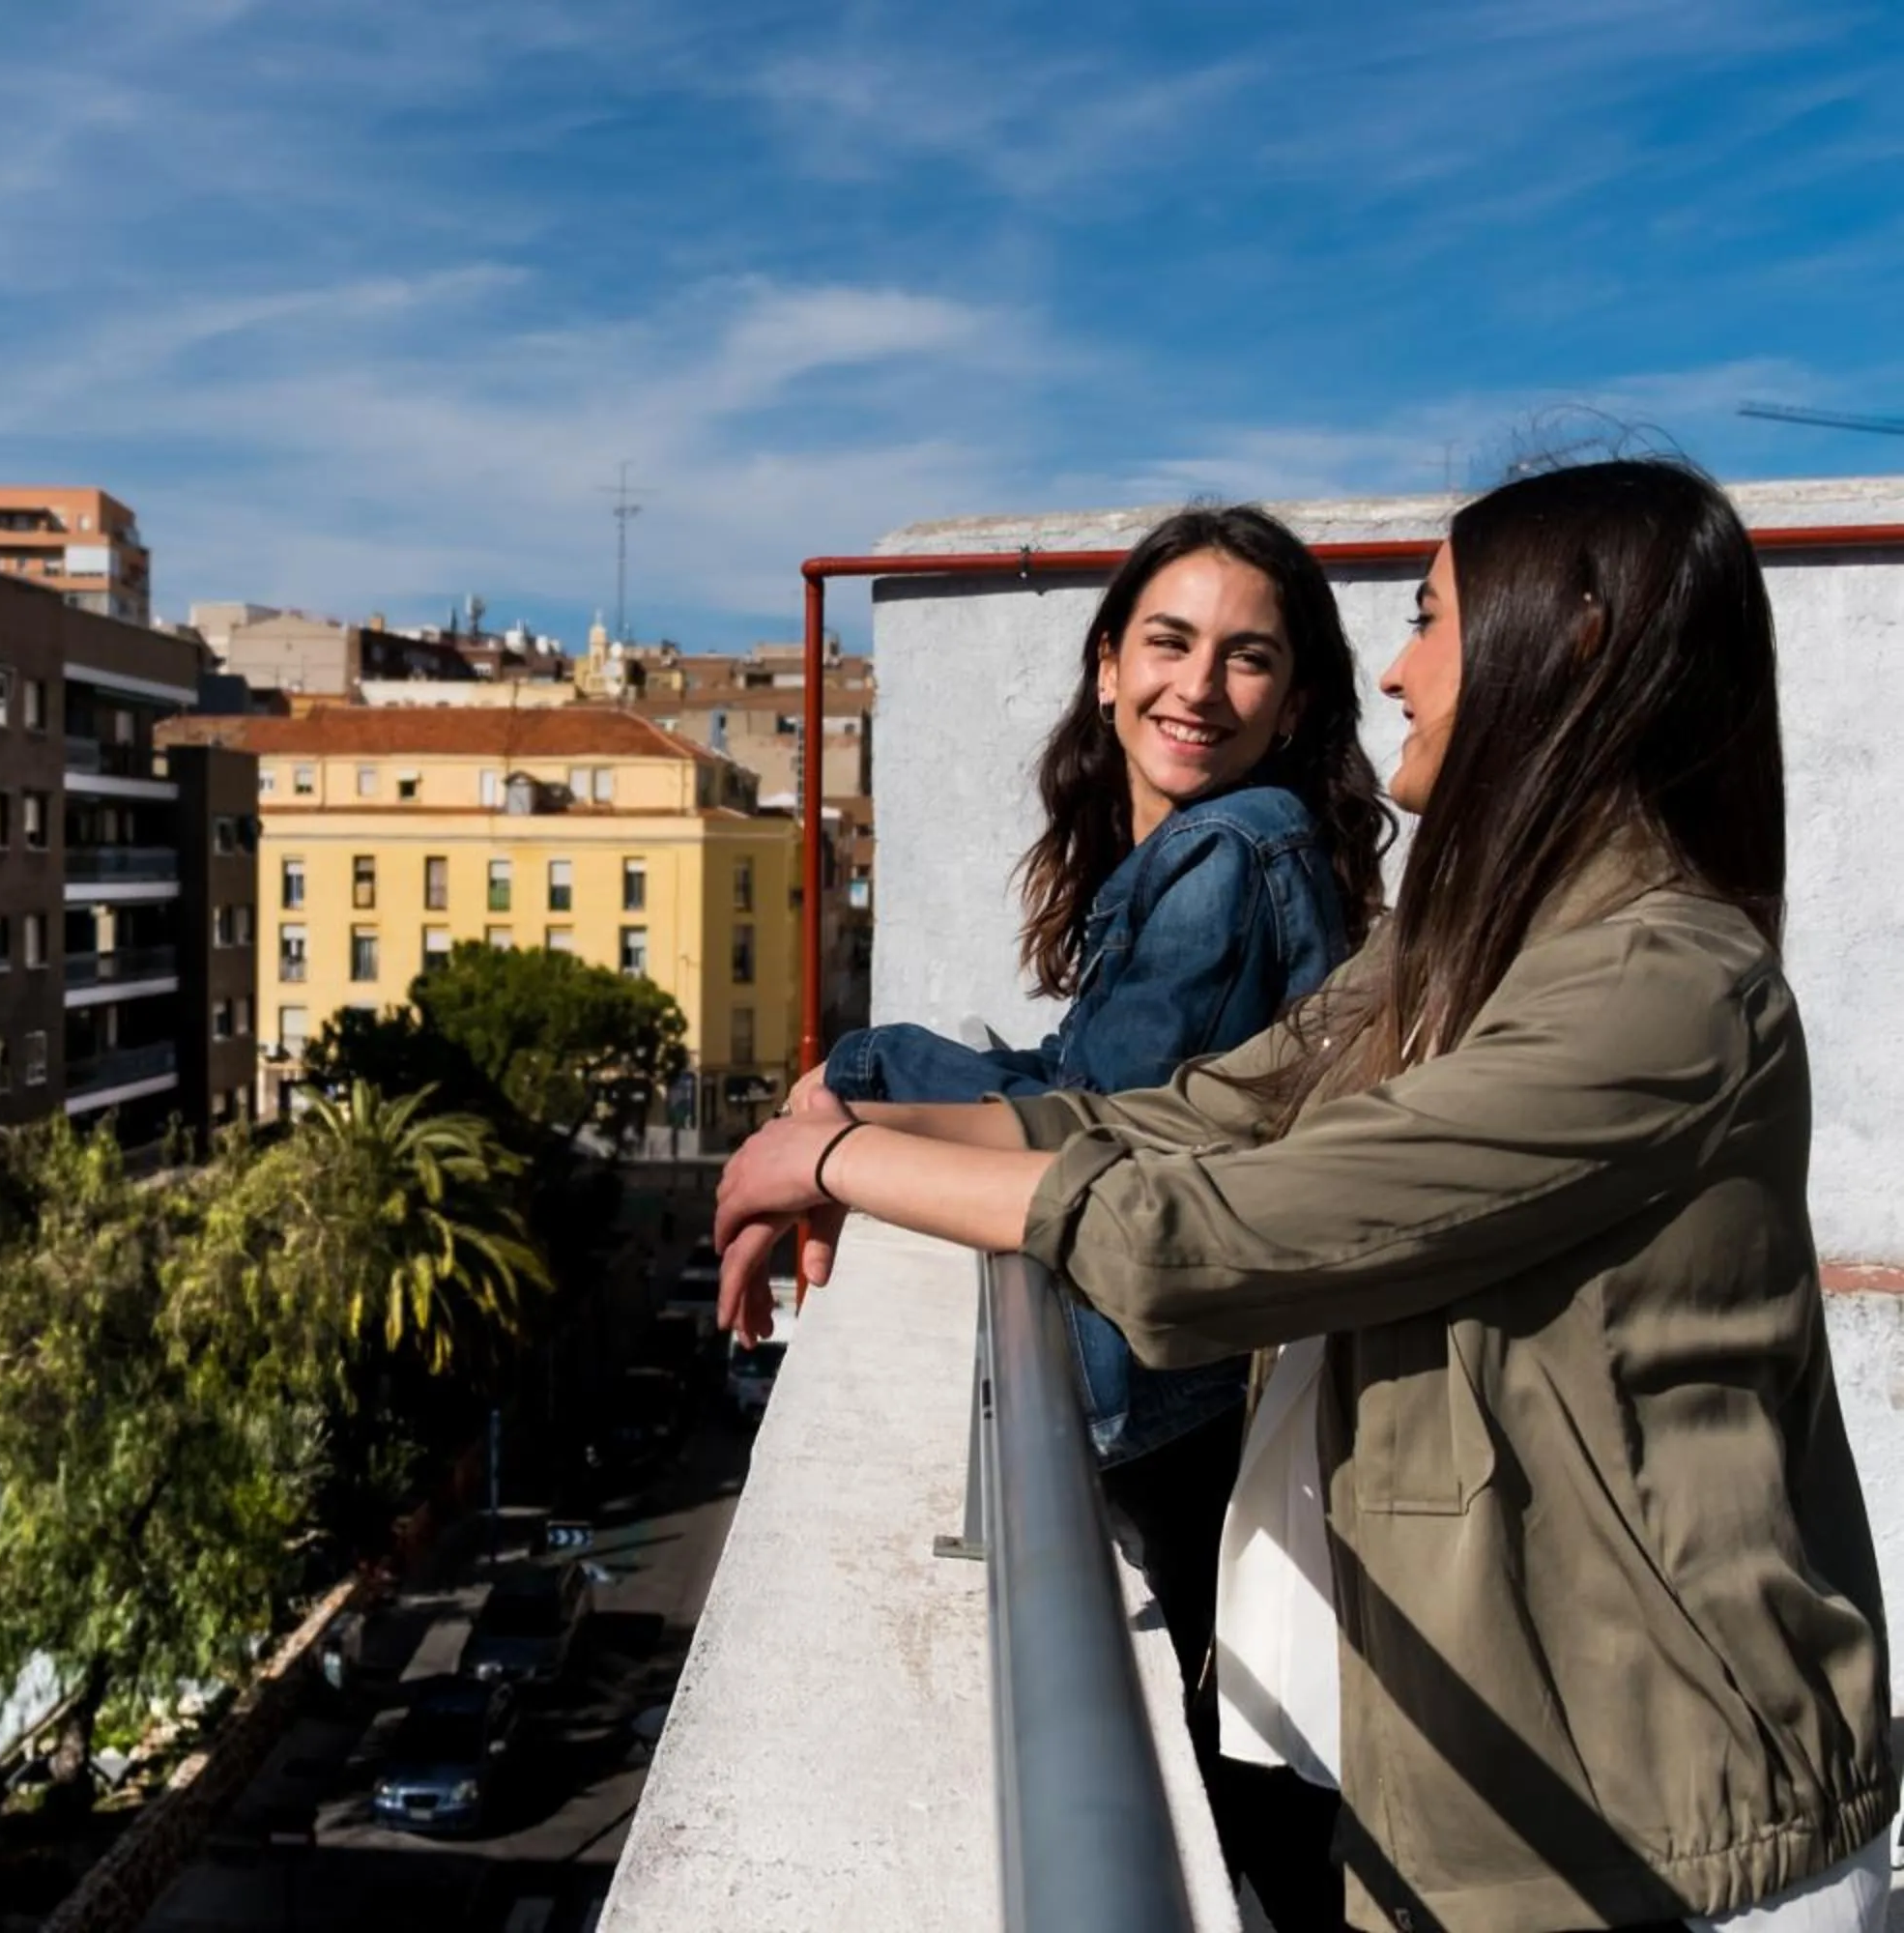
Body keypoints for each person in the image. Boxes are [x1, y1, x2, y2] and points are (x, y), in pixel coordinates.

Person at [718, 460, 1894, 1933]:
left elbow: (1226, 1232)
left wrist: (836, 1162)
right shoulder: (1460, 950)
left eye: (1430, 620)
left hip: (1663, 1841)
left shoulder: (1659, 989)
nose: (1400, 671)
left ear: (1567, 649)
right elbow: (1191, 1111)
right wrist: (853, 1120)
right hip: (1471, 1802)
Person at [792, 503, 1388, 1702]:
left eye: (1249, 656)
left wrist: (858, 1077)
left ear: (1298, 699)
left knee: (1245, 1828)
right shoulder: (1216, 849)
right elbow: (1092, 1082)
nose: (1201, 686)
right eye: (1170, 643)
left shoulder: (1229, 850)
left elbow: (1088, 1125)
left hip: (1187, 1417)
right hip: (1219, 1403)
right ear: (1108, 664)